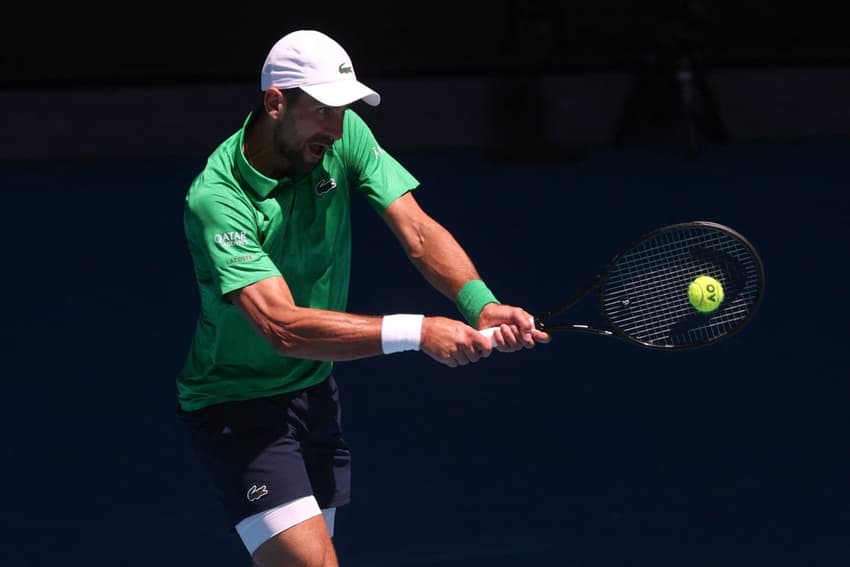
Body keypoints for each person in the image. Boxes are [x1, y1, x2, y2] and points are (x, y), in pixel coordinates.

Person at [176, 29, 550, 567]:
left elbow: (416, 230)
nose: (336, 127)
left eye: (342, 111)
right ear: (276, 103)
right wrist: (418, 331)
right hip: (237, 406)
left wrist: (481, 304)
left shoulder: (341, 134)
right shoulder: (217, 198)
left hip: (313, 394)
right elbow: (282, 327)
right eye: (322, 110)